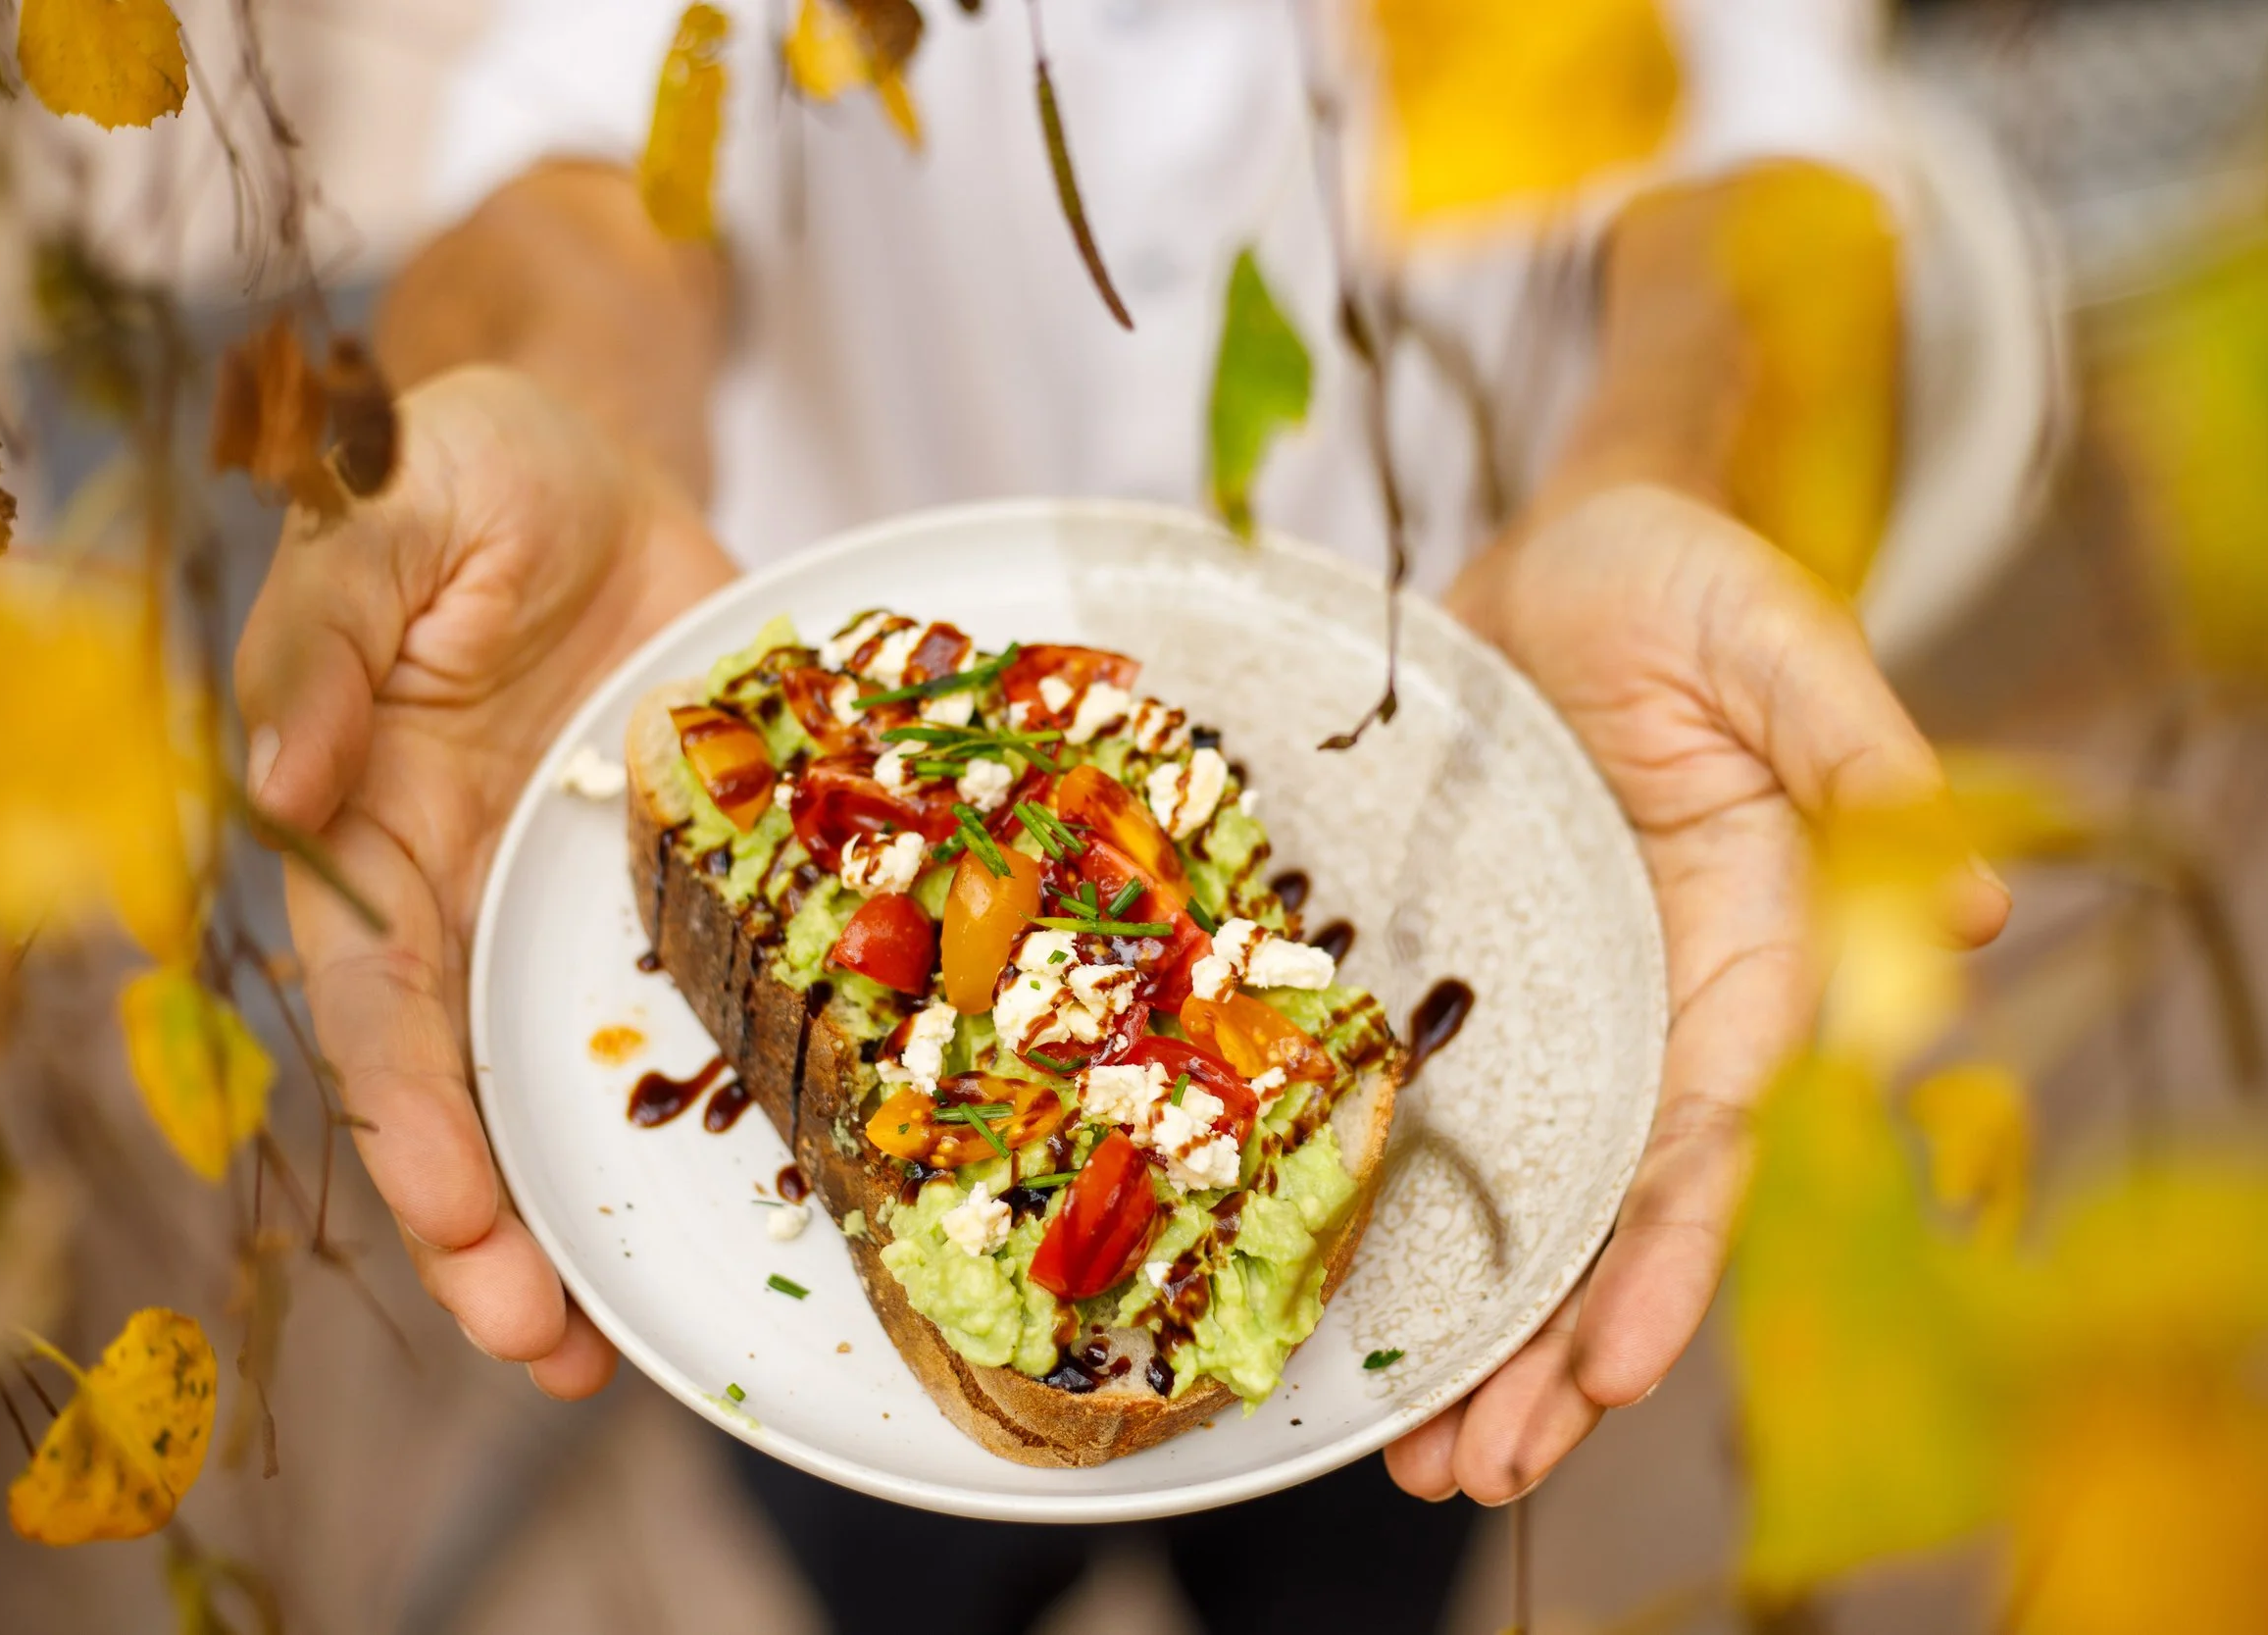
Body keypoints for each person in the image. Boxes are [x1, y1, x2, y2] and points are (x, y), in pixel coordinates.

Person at [236, 2, 2011, 1628]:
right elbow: (588, 161)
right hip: (755, 736)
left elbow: (1764, 142)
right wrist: (538, 392)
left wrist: (1673, 464)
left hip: (1467, 772)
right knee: (898, 1581)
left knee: (1361, 1568)